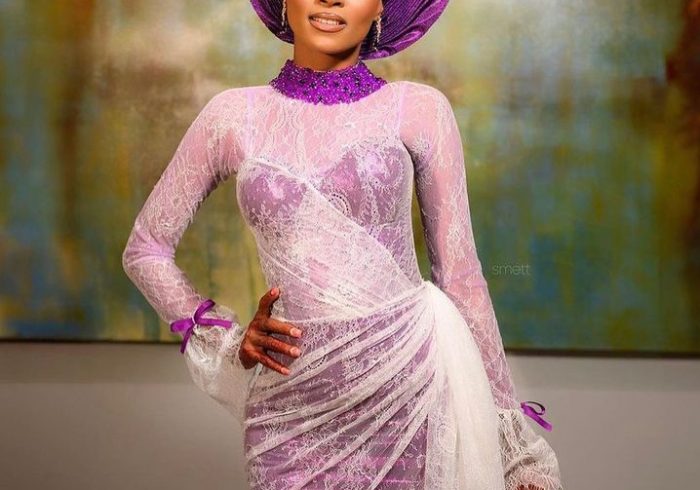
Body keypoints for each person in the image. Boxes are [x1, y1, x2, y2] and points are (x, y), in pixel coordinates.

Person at [121, 0, 563, 488]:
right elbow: (146, 248)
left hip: (411, 397)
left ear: (381, 8)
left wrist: (514, 450)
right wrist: (226, 342)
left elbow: (460, 277)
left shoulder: (419, 109)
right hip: (290, 414)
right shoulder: (232, 116)